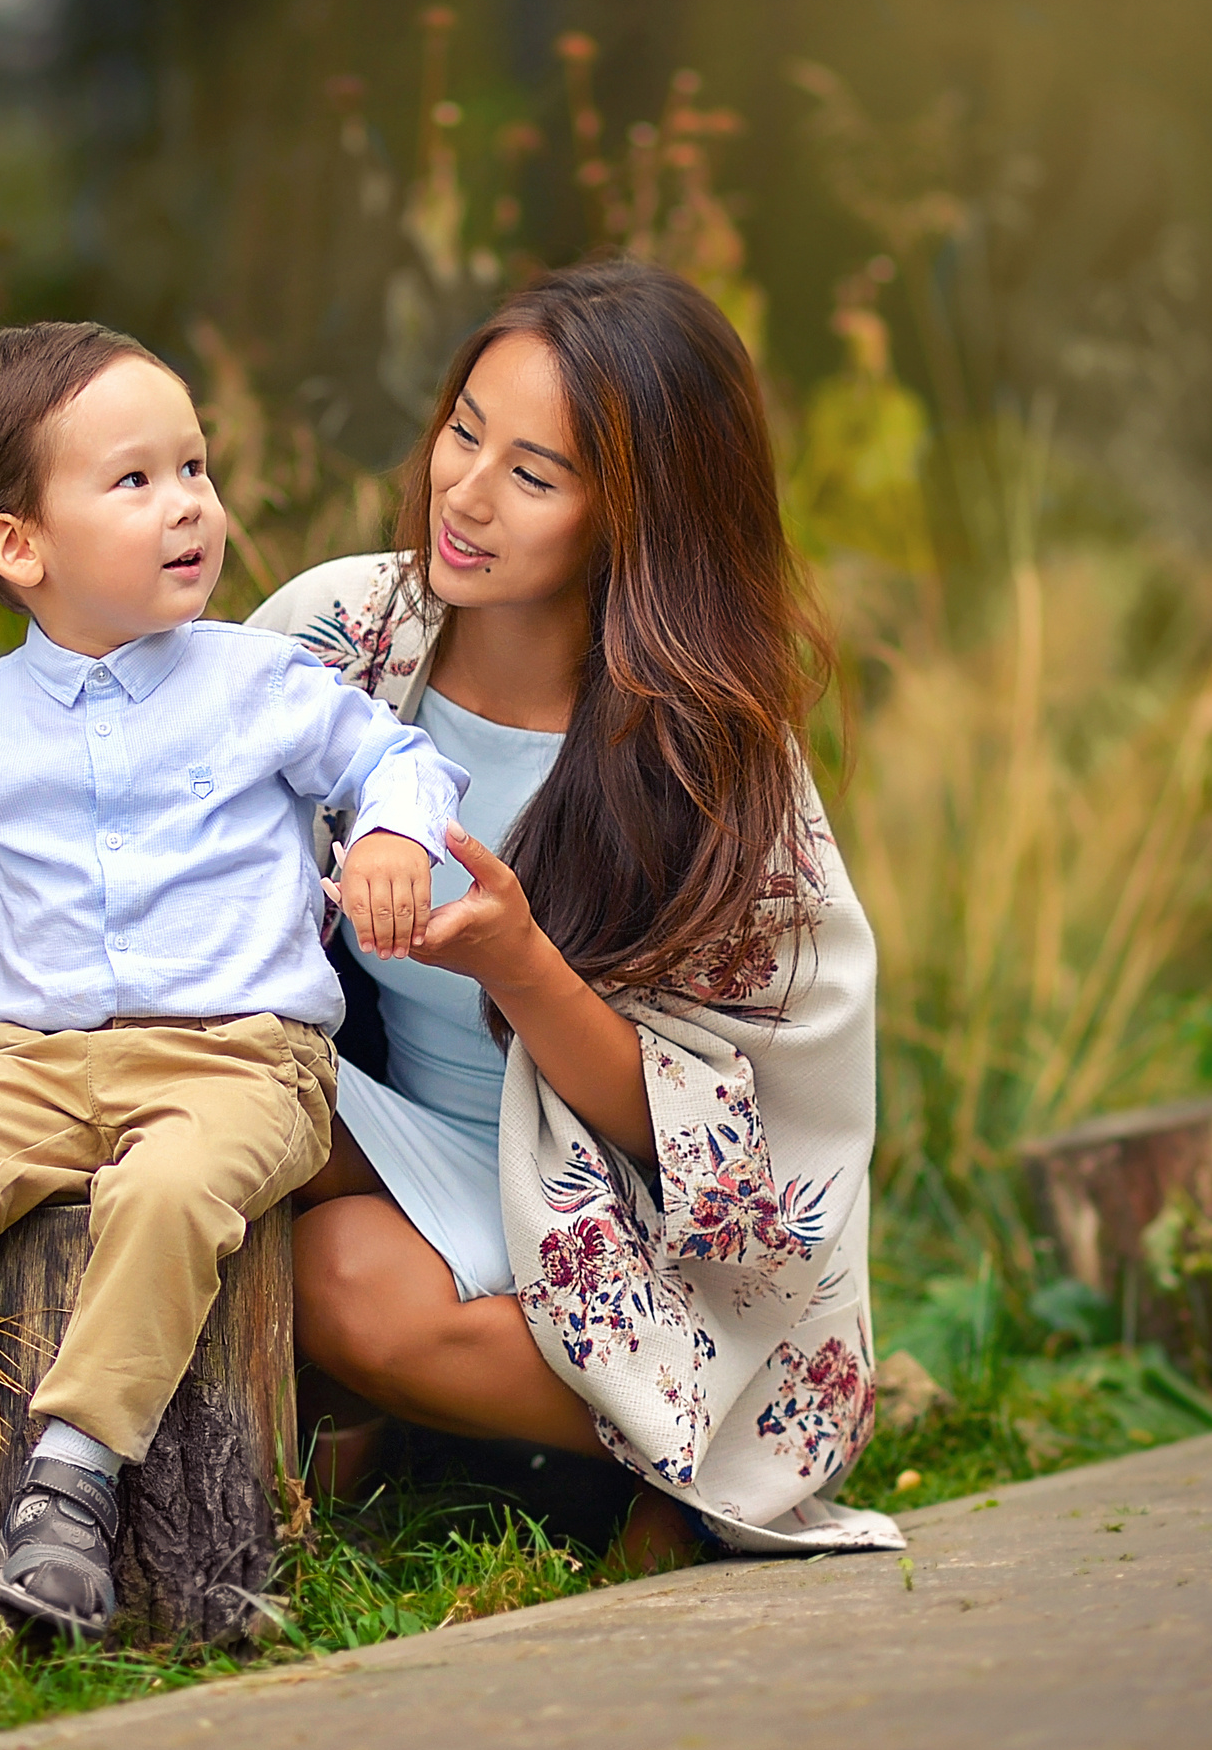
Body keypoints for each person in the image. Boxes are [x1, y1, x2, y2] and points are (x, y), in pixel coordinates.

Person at [0, 321, 468, 1637]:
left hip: (242, 1065)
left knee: (170, 1189)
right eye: (135, 481)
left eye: (195, 466)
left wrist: (391, 840)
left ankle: (70, 1479)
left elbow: (396, 762)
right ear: (21, 547)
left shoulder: (261, 681)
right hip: (38, 1067)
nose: (190, 501)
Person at [251, 257, 902, 1558]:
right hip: (392, 1137)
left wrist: (524, 965)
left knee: (338, 1290)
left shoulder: (701, 766)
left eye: (534, 477)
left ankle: (684, 1441)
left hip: (613, 1215)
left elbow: (722, 1146)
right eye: (464, 431)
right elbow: (180, 831)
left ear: (634, 514)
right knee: (203, 1095)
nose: (467, 495)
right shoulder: (345, 636)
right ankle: (288, 1467)